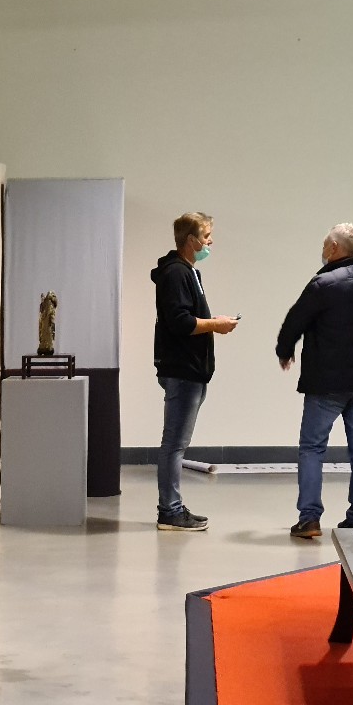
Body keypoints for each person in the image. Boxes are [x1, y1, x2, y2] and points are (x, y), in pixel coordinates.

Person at [276, 222, 353, 542]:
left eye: (326, 243)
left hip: (325, 382)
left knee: (313, 448)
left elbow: (295, 320)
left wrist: (284, 350)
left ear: (335, 248)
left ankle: (310, 518)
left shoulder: (322, 284)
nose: (323, 248)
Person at [151, 211, 241, 531]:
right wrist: (216, 324)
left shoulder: (189, 271)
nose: (210, 242)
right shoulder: (176, 273)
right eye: (206, 236)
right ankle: (170, 511)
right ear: (191, 240)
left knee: (176, 443)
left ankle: (172, 507)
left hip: (191, 370)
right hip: (183, 370)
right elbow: (180, 322)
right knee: (174, 444)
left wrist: (214, 323)